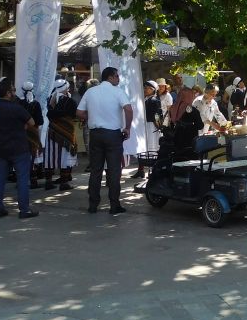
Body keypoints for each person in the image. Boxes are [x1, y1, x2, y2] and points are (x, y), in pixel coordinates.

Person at [77, 66, 133, 215]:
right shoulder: (118, 92)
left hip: (95, 134)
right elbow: (128, 109)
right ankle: (114, 205)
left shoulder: (90, 92)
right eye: (117, 76)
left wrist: (92, 117)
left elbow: (79, 112)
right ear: (110, 77)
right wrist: (127, 128)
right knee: (114, 170)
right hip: (113, 134)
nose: (118, 79)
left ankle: (93, 205)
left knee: (96, 170)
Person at [0, 78, 39, 219]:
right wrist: (22, 126)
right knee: (22, 179)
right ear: (8, 93)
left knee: (0, 178)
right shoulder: (17, 108)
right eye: (13, 90)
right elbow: (32, 122)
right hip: (19, 148)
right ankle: (24, 210)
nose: (15, 92)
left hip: (1, 148)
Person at [44, 78, 78, 190]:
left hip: (52, 132)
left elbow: (49, 114)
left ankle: (48, 181)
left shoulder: (50, 100)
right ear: (65, 88)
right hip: (66, 132)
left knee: (50, 156)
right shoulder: (70, 101)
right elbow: (74, 114)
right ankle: (64, 183)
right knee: (65, 156)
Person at [133, 80, 163, 178]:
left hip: (151, 127)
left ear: (153, 90)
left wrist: (158, 126)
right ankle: (141, 170)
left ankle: (152, 171)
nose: (145, 89)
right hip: (144, 125)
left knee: (151, 149)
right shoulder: (145, 99)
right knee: (142, 148)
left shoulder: (154, 100)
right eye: (145, 88)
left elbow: (156, 115)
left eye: (147, 88)